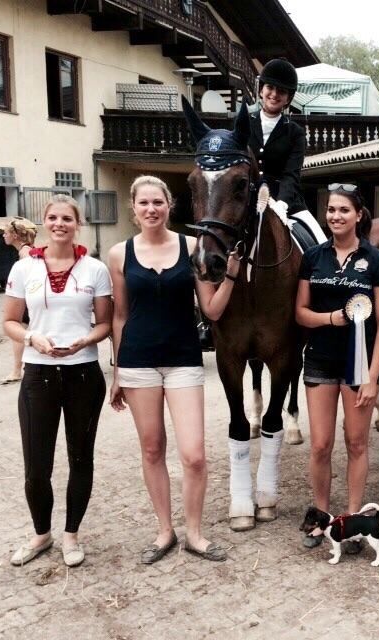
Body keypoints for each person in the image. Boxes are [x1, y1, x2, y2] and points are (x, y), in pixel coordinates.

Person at [108, 175, 240, 564]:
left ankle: (195, 533)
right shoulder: (119, 255)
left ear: (170, 206)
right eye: (144, 203)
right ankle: (164, 530)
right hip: (137, 363)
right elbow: (119, 317)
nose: (151, 209)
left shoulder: (191, 247)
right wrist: (116, 371)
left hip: (183, 360)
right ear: (134, 209)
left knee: (194, 454)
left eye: (158, 202)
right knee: (151, 449)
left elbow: (211, 309)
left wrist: (230, 273)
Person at [3, 195, 112, 568]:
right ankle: (41, 534)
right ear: (43, 222)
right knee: (36, 464)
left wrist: (87, 339)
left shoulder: (95, 269)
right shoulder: (24, 270)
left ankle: (71, 535)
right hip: (38, 374)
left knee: (81, 458)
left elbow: (105, 324)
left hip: (83, 373)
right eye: (53, 217)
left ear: (77, 224)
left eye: (67, 218)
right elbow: (10, 322)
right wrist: (31, 338)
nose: (60, 223)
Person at [295, 183, 379, 550]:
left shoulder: (377, 261)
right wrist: (332, 319)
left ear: (359, 215)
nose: (336, 216)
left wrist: (373, 377)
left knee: (356, 443)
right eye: (331, 210)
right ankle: (320, 518)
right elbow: (300, 313)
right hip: (320, 359)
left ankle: (351, 520)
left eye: (344, 210)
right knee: (320, 445)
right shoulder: (313, 257)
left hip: (359, 367)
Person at [247, 59, 324, 240]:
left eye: (281, 91)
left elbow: (292, 174)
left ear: (288, 98)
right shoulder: (244, 123)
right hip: (247, 198)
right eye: (270, 88)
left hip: (286, 201)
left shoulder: (295, 133)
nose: (274, 94)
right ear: (261, 90)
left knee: (320, 242)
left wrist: (282, 203)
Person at [1, 218, 37, 384]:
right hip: (29, 297)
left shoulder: (25, 253)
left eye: (6, 233)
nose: (3, 235)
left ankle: (17, 370)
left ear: (14, 235)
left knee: (18, 332)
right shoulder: (26, 250)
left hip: (28, 298)